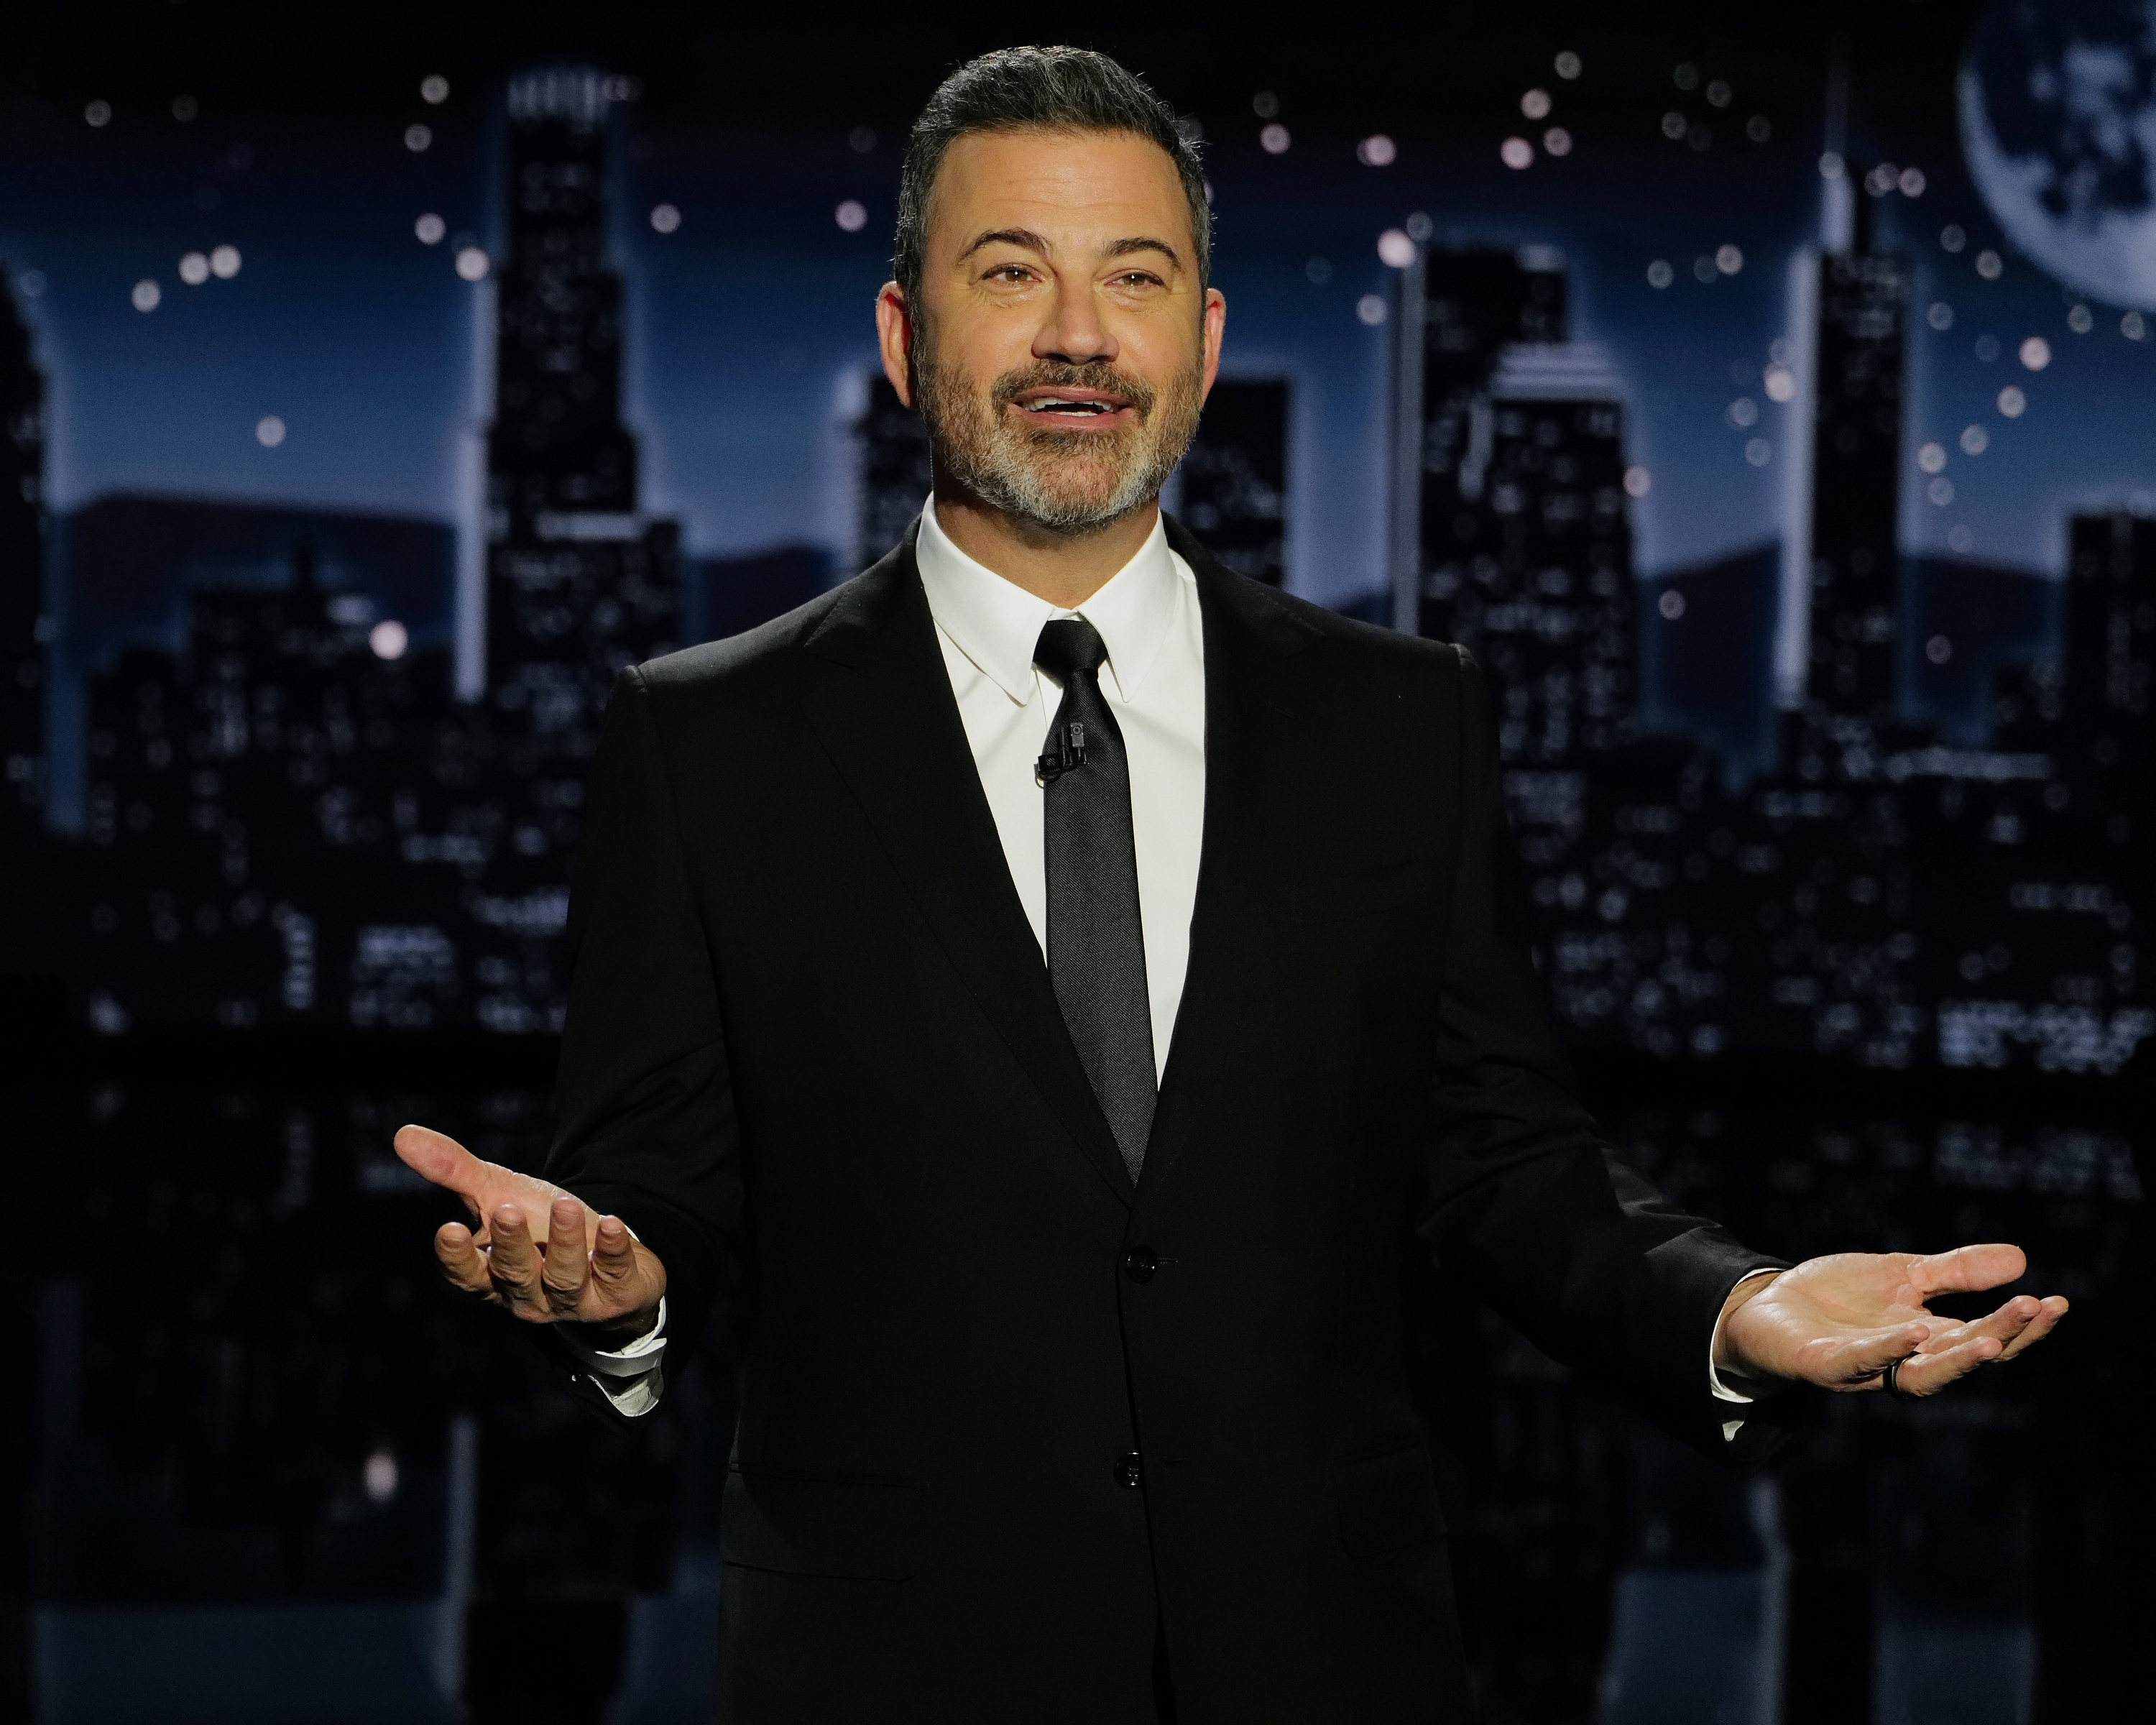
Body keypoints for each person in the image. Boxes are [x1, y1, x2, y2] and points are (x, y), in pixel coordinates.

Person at [395, 45, 2067, 1722]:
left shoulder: (1401, 720)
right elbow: (650, 1195)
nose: (1075, 336)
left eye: (1135, 278)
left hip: (1330, 1661)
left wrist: (1742, 1303)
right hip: (891, 1670)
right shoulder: (709, 741)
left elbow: (1501, 1153)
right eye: (1009, 274)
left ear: (1199, 344)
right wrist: (612, 1290)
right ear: (906, 339)